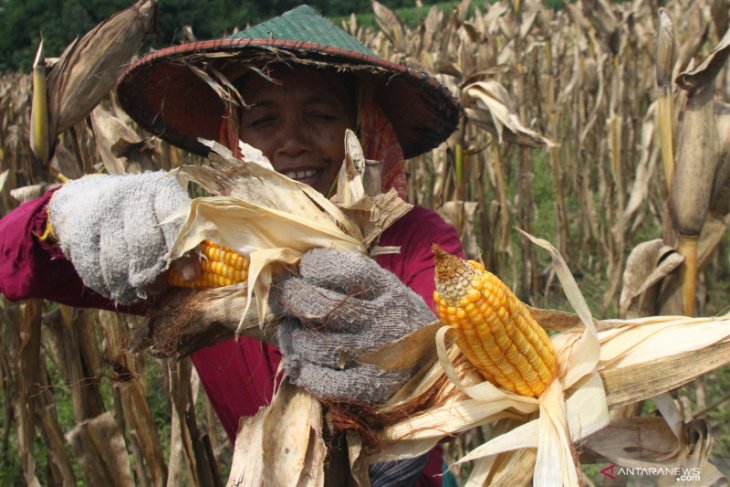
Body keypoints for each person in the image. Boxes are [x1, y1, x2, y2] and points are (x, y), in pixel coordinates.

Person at [0, 5, 463, 486]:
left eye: (321, 115)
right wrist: (67, 213)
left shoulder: (418, 240)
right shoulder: (195, 250)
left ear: (364, 129)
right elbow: (13, 258)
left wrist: (415, 357)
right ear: (233, 138)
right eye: (263, 121)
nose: (291, 143)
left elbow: (462, 374)